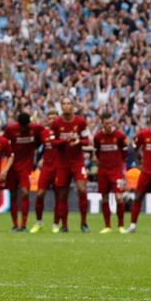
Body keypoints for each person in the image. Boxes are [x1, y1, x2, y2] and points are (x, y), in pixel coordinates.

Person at [50, 97, 90, 233]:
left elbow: (87, 141)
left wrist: (78, 141)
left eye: (68, 104)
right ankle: (64, 225)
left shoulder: (80, 122)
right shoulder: (56, 123)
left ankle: (84, 223)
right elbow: (53, 143)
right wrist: (64, 140)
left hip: (78, 162)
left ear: (73, 106)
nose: (66, 106)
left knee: (82, 189)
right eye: (64, 104)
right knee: (62, 194)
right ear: (61, 106)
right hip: (62, 163)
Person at [126, 108, 151, 234]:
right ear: (149, 119)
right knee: (138, 197)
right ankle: (132, 225)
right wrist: (138, 164)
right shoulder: (143, 134)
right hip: (146, 171)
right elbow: (133, 149)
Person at [3, 112, 42, 232]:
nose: (25, 128)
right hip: (12, 165)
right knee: (13, 194)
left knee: (25, 192)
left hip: (26, 166)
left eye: (26, 126)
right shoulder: (11, 129)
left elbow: (42, 139)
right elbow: (3, 143)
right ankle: (15, 224)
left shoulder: (36, 128)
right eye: (22, 126)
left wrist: (36, 155)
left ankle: (23, 224)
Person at [94, 112, 129, 234]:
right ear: (102, 123)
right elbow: (97, 152)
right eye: (106, 123)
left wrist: (121, 167)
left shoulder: (119, 136)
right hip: (103, 171)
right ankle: (107, 226)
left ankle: (121, 225)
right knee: (104, 198)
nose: (109, 125)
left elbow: (125, 153)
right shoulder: (98, 137)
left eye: (110, 122)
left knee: (119, 198)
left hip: (116, 172)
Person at [30, 110, 60, 234]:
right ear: (47, 120)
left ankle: (56, 224)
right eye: (50, 118)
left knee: (59, 197)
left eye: (54, 118)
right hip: (46, 168)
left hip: (59, 168)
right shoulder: (43, 133)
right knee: (40, 194)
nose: (52, 120)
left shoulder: (63, 133)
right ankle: (39, 222)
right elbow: (36, 145)